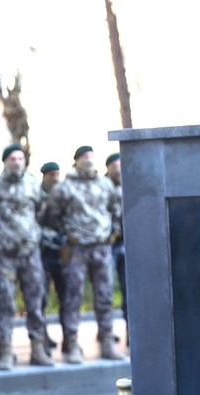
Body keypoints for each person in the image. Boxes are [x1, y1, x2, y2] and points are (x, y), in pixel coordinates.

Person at [41, 145, 123, 364]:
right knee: (72, 297)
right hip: (76, 249)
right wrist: (66, 235)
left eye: (91, 157)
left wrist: (113, 230)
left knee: (105, 296)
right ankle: (72, 343)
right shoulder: (64, 187)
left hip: (102, 248)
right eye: (83, 158)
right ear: (75, 161)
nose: (88, 161)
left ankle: (107, 341)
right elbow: (51, 216)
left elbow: (116, 208)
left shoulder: (105, 184)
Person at [0, 144, 52, 370]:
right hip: (3, 256)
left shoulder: (33, 184)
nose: (17, 162)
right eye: (12, 159)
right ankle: (5, 351)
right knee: (4, 303)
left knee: (36, 302)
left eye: (20, 158)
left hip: (30, 253)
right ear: (5, 162)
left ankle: (38, 349)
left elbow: (42, 212)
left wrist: (30, 234)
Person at [37, 161, 65, 350]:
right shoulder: (36, 196)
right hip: (41, 253)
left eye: (57, 174)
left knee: (67, 296)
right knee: (41, 297)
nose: (54, 178)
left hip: (63, 254)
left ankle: (69, 339)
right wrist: (50, 236)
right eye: (51, 175)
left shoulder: (65, 194)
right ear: (44, 176)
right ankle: (42, 337)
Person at [105, 152, 127, 337]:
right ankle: (106, 333)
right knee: (106, 290)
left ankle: (131, 332)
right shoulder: (102, 188)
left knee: (130, 289)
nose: (118, 169)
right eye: (114, 165)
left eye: (120, 165)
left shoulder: (130, 184)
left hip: (128, 243)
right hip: (108, 245)